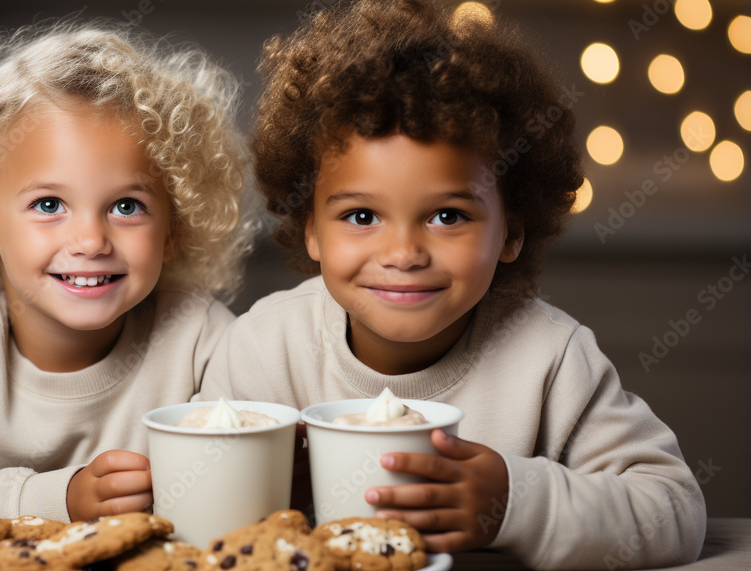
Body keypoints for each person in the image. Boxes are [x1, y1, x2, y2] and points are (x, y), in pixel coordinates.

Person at [197, 0, 706, 567]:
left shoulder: (551, 360)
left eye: (448, 216)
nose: (404, 254)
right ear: (310, 229)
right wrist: (256, 493)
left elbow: (673, 509)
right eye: (362, 217)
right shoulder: (265, 349)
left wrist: (512, 502)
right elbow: (190, 510)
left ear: (512, 230)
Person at [0, 18, 254, 531]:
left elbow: (241, 483)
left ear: (173, 227)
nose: (90, 241)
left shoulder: (200, 338)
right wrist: (58, 498)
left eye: (127, 206)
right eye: (49, 203)